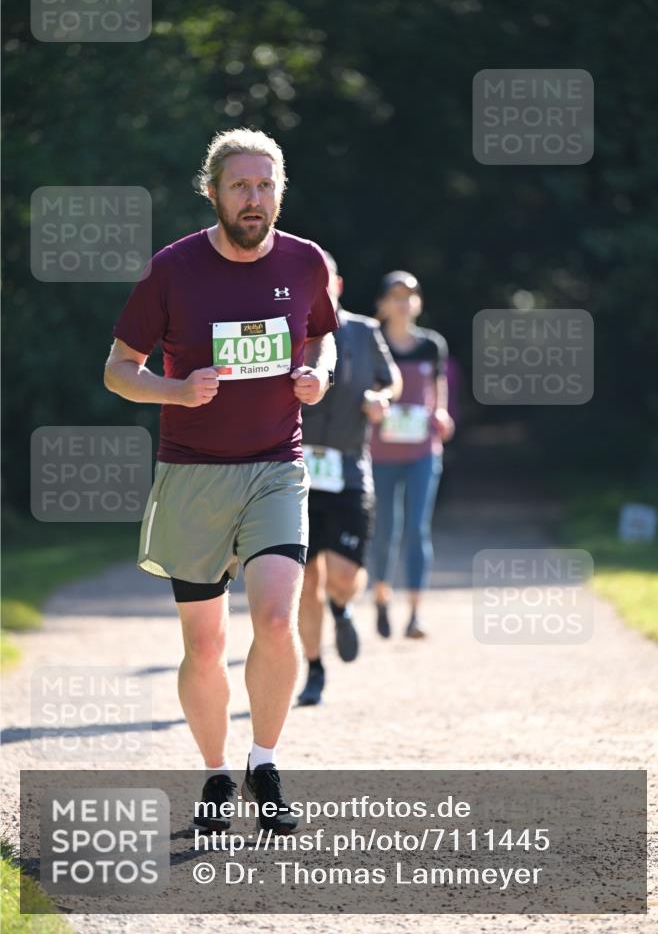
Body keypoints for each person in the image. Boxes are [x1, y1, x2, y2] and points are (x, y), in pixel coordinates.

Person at [104, 128, 337, 834]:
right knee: (204, 645)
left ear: (280, 192)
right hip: (193, 474)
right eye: (240, 186)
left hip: (276, 466)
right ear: (212, 192)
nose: (254, 198)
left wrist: (318, 375)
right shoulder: (171, 269)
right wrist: (174, 392)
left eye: (265, 186)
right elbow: (118, 369)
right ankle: (214, 772)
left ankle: (264, 761)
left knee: (272, 618)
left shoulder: (305, 262)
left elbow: (322, 335)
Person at [297, 253, 401, 705]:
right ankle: (314, 670)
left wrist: (380, 397)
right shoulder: (287, 333)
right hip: (293, 470)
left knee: (343, 574)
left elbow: (390, 380)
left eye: (324, 280)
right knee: (303, 580)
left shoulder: (363, 331)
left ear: (337, 284)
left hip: (348, 468)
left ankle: (342, 607)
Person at [369, 271, 455, 640]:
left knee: (418, 529)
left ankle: (416, 614)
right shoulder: (372, 343)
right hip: (379, 453)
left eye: (411, 295)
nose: (404, 302)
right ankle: (382, 598)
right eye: (396, 295)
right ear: (383, 304)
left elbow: (438, 389)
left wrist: (442, 414)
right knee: (386, 529)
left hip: (422, 452)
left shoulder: (432, 345)